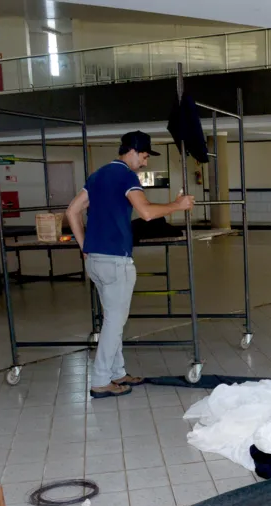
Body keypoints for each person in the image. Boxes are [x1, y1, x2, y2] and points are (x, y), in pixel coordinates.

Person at [66, 131, 194, 399]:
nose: (145, 163)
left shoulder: (98, 175)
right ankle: (101, 380)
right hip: (115, 260)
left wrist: (84, 247)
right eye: (145, 156)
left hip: (96, 261)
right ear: (133, 151)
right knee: (114, 321)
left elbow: (72, 211)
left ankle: (117, 373)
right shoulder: (126, 175)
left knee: (113, 318)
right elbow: (146, 213)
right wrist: (177, 205)